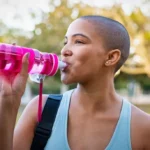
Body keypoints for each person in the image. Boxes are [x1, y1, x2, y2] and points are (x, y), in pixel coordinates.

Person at [0, 15, 150, 150]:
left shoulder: (143, 128)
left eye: (78, 41)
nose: (65, 50)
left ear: (111, 57)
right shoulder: (41, 109)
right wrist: (8, 103)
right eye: (66, 42)